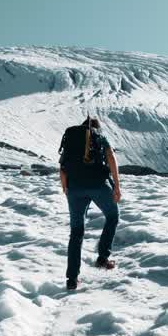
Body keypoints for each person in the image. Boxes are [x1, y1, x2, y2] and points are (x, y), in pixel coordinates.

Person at [58, 116, 122, 290]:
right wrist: (116, 185)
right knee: (112, 216)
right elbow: (111, 158)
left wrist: (65, 187)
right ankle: (102, 258)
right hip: (98, 185)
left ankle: (72, 279)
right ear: (96, 128)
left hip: (74, 189)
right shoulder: (99, 136)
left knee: (76, 232)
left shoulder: (72, 139)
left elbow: (62, 166)